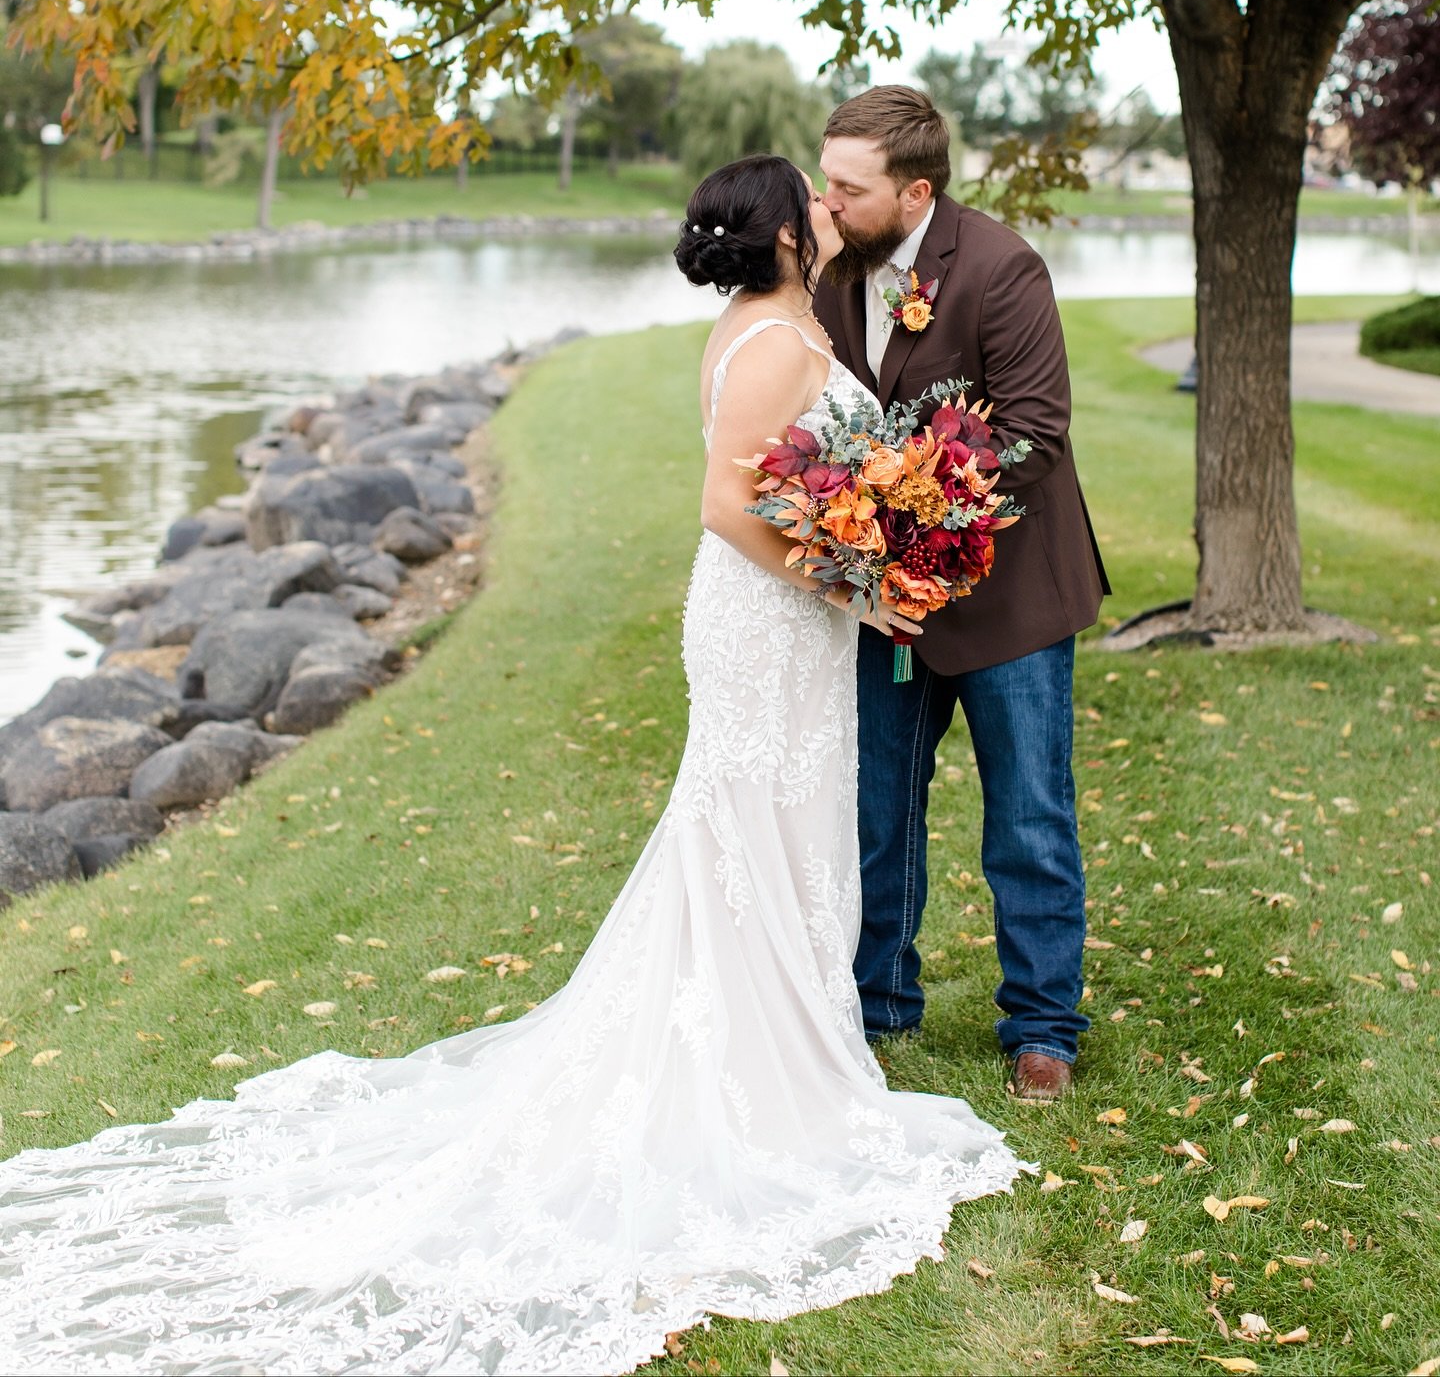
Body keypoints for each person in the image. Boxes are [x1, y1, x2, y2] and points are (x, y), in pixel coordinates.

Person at [0, 154, 1025, 1377]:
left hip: (797, 626)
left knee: (783, 826)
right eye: (809, 196)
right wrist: (854, 579)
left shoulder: (787, 320)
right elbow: (723, 504)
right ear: (781, 234)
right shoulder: (766, 346)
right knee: (752, 827)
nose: (823, 208)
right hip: (765, 624)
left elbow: (812, 485)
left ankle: (793, 1039)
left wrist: (873, 554)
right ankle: (763, 1070)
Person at [813, 87, 1109, 1103]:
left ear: (917, 190)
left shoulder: (999, 267)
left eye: (849, 188)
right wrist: (860, 544)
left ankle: (1041, 1027)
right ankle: (879, 1005)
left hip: (1010, 596)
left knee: (1028, 814)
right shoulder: (825, 273)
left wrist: (907, 506)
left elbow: (1031, 430)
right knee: (875, 810)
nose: (829, 201)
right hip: (881, 599)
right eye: (826, 180)